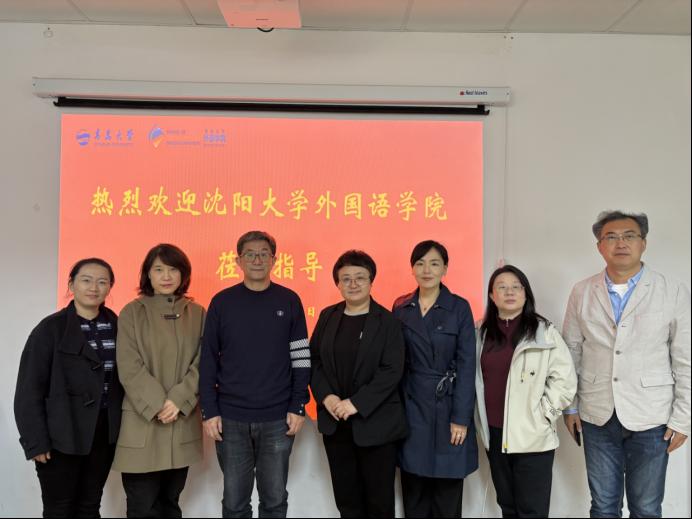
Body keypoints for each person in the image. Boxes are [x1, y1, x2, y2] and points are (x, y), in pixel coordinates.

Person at [563, 210, 691, 518]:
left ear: (643, 243)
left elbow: (685, 358)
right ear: (599, 246)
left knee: (646, 507)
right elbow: (570, 353)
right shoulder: (582, 291)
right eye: (611, 237)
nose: (621, 243)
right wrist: (570, 407)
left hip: (652, 416)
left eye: (629, 236)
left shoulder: (671, 290)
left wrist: (682, 419)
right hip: (597, 414)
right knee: (603, 506)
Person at [200, 230, 310, 518]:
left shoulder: (289, 300)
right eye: (250, 254)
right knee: (234, 503)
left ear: (274, 260)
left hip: (278, 417)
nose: (257, 259)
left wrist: (298, 405)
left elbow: (301, 357)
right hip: (230, 417)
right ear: (238, 261)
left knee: (274, 501)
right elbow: (208, 359)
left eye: (264, 254)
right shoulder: (222, 302)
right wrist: (209, 410)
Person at [14, 258, 123, 518]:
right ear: (71, 284)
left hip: (103, 432)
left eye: (102, 282)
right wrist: (36, 442)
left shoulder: (119, 325)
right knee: (59, 509)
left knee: (89, 506)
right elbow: (29, 389)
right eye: (86, 280)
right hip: (60, 433)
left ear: (110, 287)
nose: (93, 288)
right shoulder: (49, 329)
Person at [311, 250, 407, 518]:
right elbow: (314, 360)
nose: (353, 284)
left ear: (371, 281)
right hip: (336, 425)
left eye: (360, 278)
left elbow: (392, 370)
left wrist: (356, 403)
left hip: (376, 425)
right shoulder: (328, 316)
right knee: (347, 502)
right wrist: (327, 397)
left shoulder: (388, 321)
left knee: (379, 503)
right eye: (346, 279)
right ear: (337, 283)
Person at [475, 265, 577, 518]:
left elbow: (565, 380)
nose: (509, 292)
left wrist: (544, 415)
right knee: (507, 507)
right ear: (492, 295)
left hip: (533, 437)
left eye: (516, 287)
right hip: (494, 435)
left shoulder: (544, 332)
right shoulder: (481, 333)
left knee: (532, 511)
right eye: (502, 287)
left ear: (525, 293)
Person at [112, 244, 205, 518]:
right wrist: (159, 404)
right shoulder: (131, 312)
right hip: (142, 422)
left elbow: (205, 361)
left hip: (181, 421)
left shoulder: (198, 313)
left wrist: (178, 400)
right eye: (159, 269)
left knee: (171, 504)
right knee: (142, 507)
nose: (166, 276)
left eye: (173, 269)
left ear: (183, 274)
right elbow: (129, 365)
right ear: (147, 274)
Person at [392, 240, 477, 518]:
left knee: (446, 495)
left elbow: (467, 365)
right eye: (420, 263)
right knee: (414, 493)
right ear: (412, 269)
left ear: (445, 269)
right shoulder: (401, 307)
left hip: (448, 407)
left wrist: (461, 418)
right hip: (411, 408)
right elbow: (395, 362)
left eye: (434, 263)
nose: (426, 270)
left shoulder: (459, 308)